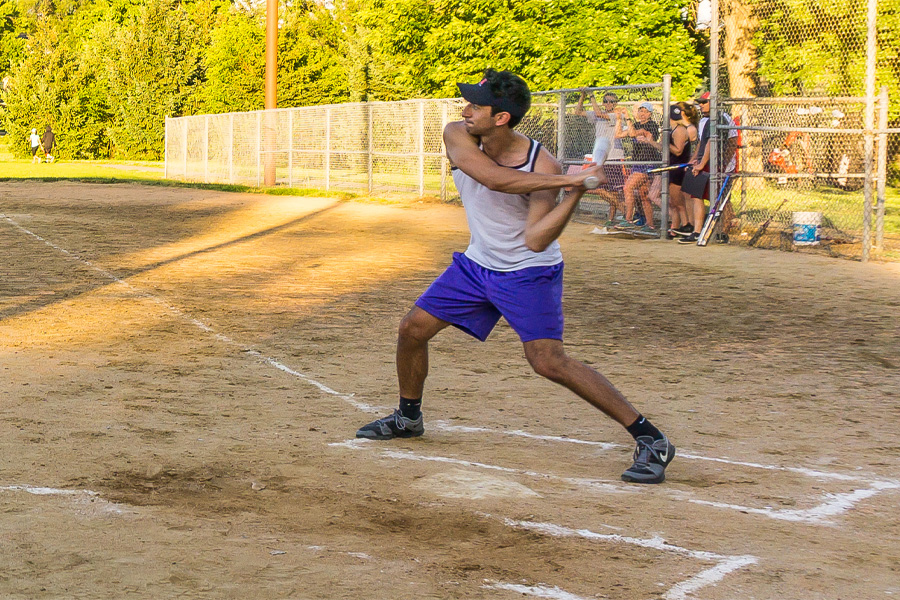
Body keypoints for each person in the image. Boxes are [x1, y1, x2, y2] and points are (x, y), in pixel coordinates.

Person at [355, 69, 675, 485]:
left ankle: (651, 438)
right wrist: (569, 179)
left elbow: (537, 239)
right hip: (476, 265)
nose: (465, 110)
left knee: (548, 362)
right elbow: (493, 178)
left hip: (527, 272)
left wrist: (574, 191)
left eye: (476, 105)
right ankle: (408, 417)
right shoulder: (459, 134)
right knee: (412, 329)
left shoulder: (542, 164)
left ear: (501, 118)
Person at [678, 92, 738, 244]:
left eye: (704, 102)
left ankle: (722, 232)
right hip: (705, 162)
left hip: (717, 164)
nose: (701, 105)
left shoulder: (721, 118)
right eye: (700, 102)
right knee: (696, 195)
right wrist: (694, 160)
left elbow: (728, 141)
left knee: (721, 199)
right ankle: (698, 231)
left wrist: (722, 162)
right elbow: (702, 143)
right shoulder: (704, 120)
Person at [574, 89, 628, 227]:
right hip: (600, 158)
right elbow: (578, 112)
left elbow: (598, 113)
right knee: (599, 189)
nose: (608, 103)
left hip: (614, 157)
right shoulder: (598, 114)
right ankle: (626, 213)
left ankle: (613, 219)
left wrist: (592, 95)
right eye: (606, 101)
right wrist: (583, 96)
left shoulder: (616, 116)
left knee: (615, 191)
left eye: (611, 101)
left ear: (615, 103)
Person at [616, 101, 661, 233]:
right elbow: (618, 134)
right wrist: (619, 119)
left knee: (628, 187)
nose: (642, 114)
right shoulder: (635, 125)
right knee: (644, 196)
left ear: (650, 114)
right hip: (637, 162)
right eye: (640, 111)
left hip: (647, 162)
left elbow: (633, 134)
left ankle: (628, 219)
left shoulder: (652, 125)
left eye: (645, 112)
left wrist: (628, 118)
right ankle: (650, 225)